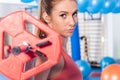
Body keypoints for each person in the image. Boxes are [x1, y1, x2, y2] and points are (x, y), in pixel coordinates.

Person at [34, 0, 82, 80]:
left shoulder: (60, 49)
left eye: (74, 14)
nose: (72, 22)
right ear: (47, 17)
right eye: (63, 15)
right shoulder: (48, 51)